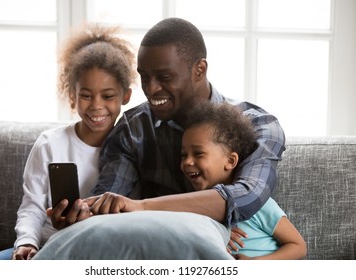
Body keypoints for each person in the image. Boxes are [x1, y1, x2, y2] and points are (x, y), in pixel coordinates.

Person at [36, 17, 286, 260]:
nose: (151, 88)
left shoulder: (257, 126)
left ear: (199, 69)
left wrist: (141, 206)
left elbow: (245, 197)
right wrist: (81, 214)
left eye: (165, 77)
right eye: (144, 76)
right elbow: (109, 203)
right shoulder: (132, 129)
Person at [0, 22, 135, 260]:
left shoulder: (130, 151)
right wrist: (27, 243)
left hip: (92, 253)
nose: (96, 105)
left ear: (125, 96)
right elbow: (32, 206)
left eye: (108, 96)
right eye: (85, 95)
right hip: (45, 247)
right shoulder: (50, 143)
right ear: (72, 96)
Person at [180, 101, 306, 260]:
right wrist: (219, 231)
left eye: (198, 153)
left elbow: (298, 247)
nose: (187, 162)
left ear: (230, 161)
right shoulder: (194, 207)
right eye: (183, 155)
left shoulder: (259, 204)